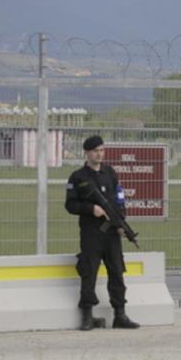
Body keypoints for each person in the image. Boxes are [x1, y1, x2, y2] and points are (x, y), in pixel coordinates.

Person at [65, 135, 139, 331]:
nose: (100, 154)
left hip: (111, 233)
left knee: (117, 271)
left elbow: (119, 197)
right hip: (91, 233)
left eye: (102, 150)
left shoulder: (110, 173)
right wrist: (91, 209)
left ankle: (120, 314)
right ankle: (87, 316)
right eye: (96, 151)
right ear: (87, 153)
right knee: (89, 272)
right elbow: (70, 205)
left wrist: (121, 220)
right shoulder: (78, 177)